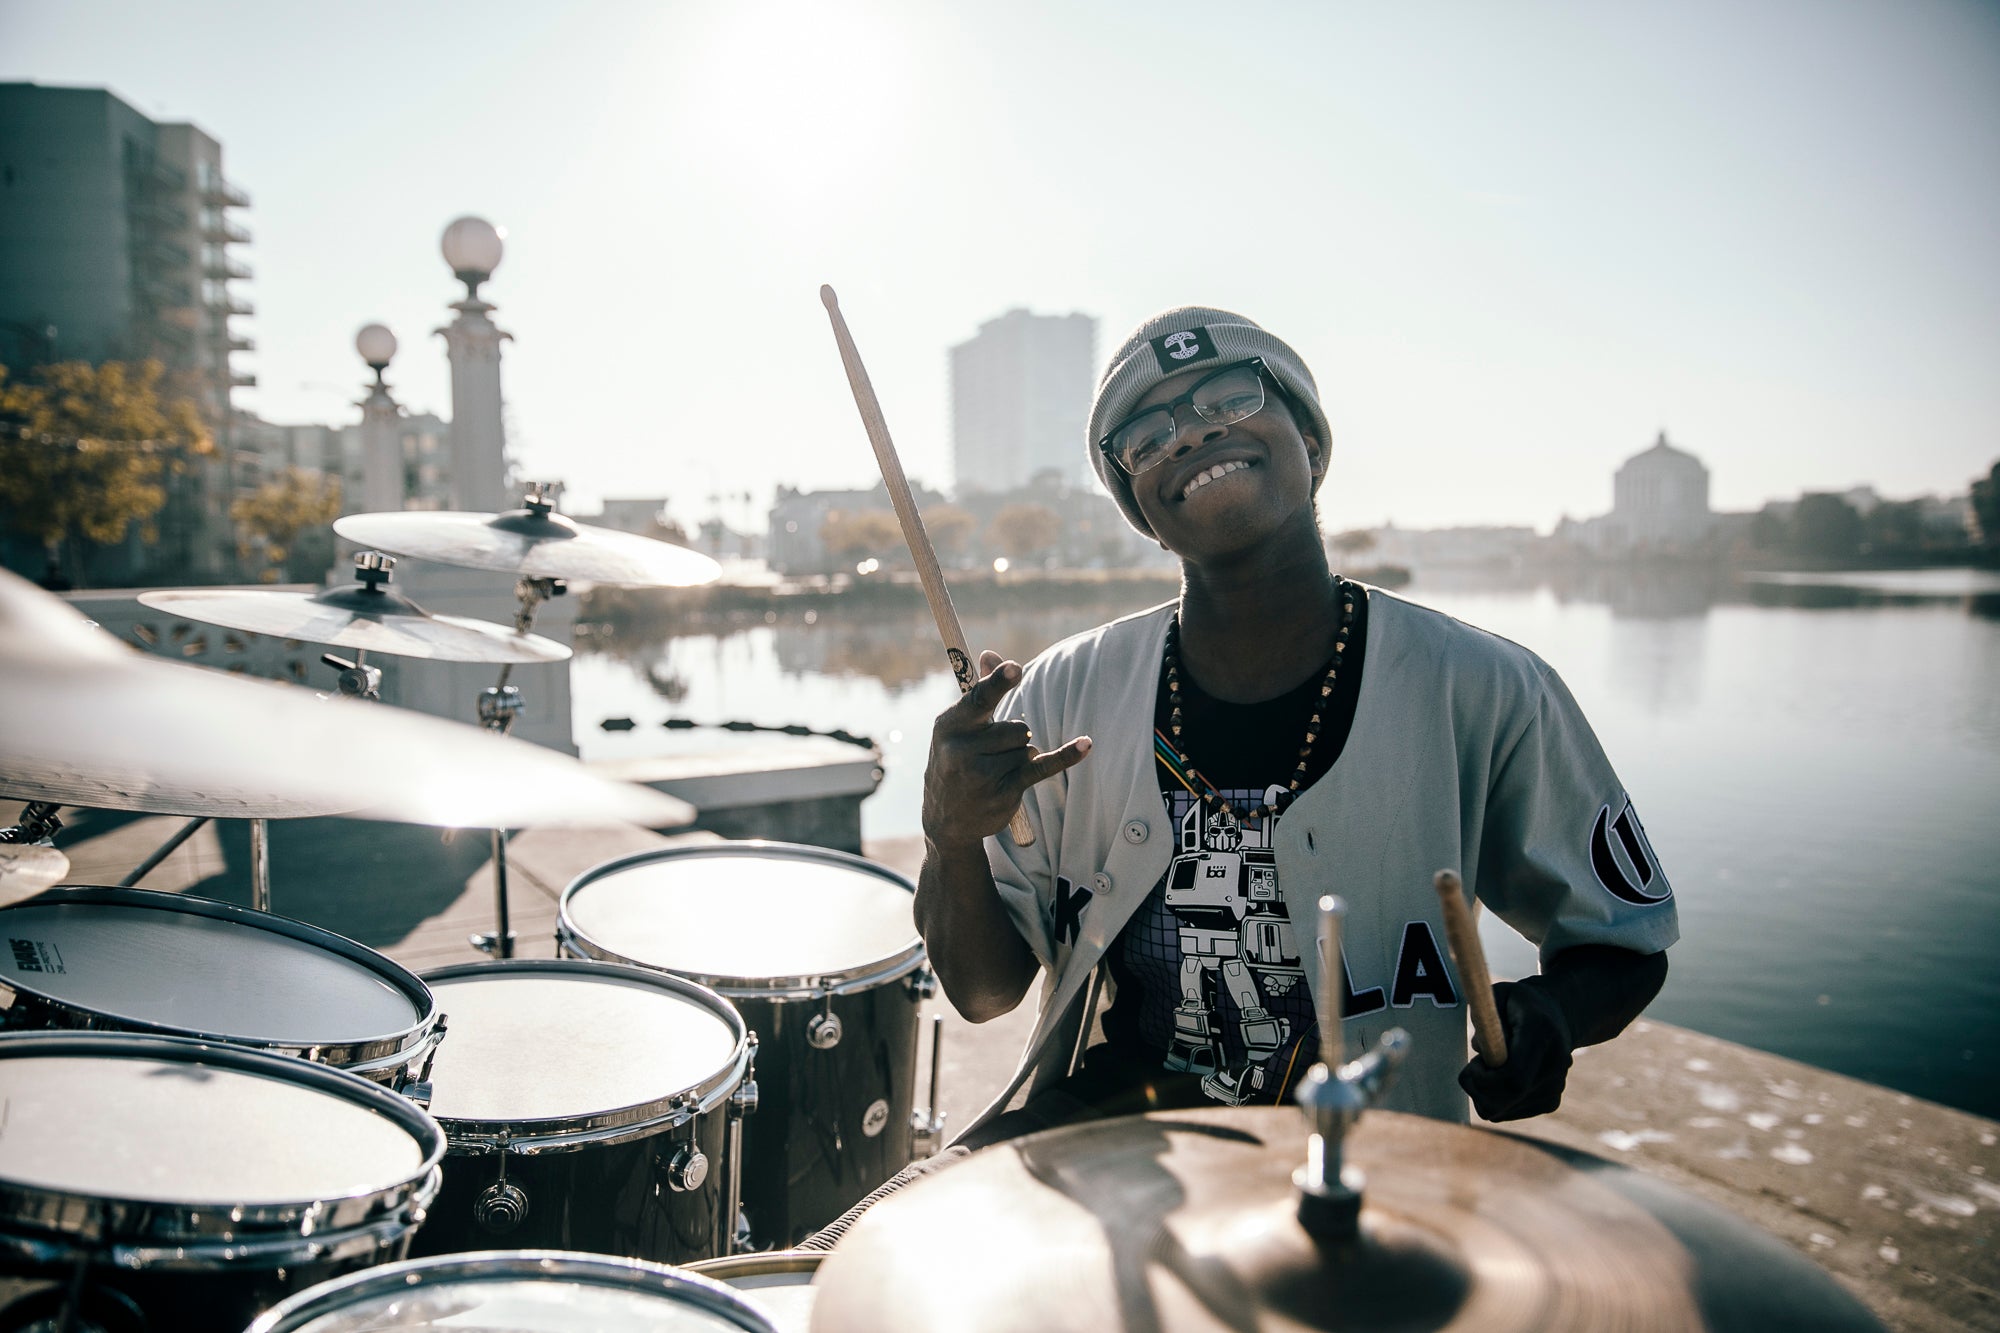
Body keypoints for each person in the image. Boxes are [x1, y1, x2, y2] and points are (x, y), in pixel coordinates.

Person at [918, 307, 1677, 1147]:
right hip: (1111, 1160)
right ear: (1141, 506)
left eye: (1230, 397)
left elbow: (1625, 941)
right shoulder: (1061, 693)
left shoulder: (1486, 686)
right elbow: (984, 994)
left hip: (1372, 1172)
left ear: (1311, 440)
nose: (1191, 436)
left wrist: (1551, 1015)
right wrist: (950, 838)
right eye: (1146, 436)